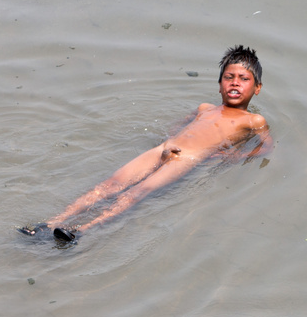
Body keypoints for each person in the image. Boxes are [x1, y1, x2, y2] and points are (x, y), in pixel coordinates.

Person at [20, 45, 272, 243]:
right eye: (229, 77)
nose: (235, 82)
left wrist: (233, 157)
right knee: (109, 185)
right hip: (163, 150)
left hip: (188, 158)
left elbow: (266, 147)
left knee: (136, 193)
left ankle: (80, 231)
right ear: (219, 85)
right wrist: (169, 143)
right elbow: (179, 126)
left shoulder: (254, 119)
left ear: (257, 88)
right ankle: (50, 223)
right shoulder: (204, 108)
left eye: (243, 78)